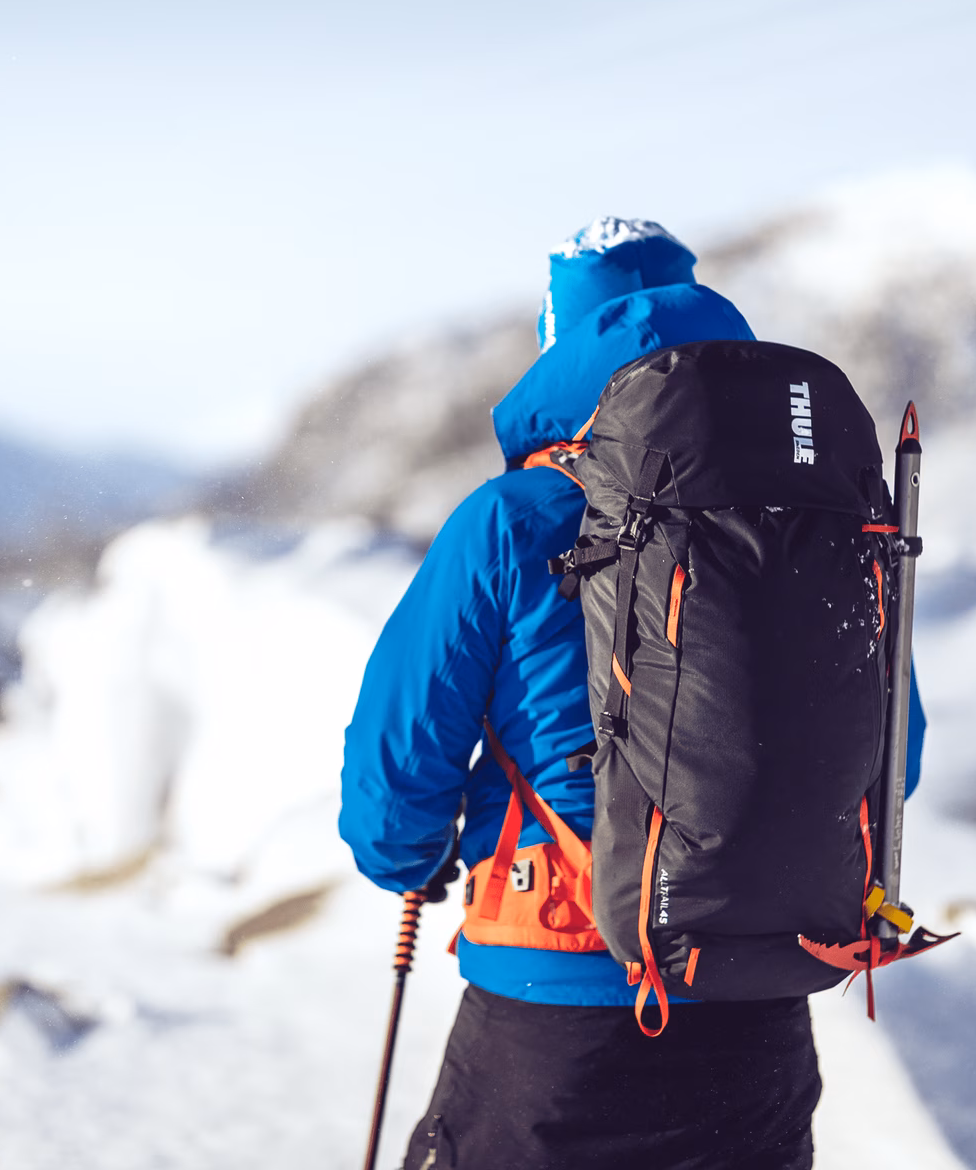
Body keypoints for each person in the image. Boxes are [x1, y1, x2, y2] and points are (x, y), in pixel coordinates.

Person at [339, 217, 926, 1170]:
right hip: (759, 1000)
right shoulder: (815, 516)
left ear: (559, 344)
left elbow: (400, 753)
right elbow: (897, 746)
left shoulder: (510, 520)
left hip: (554, 993)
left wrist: (407, 859)